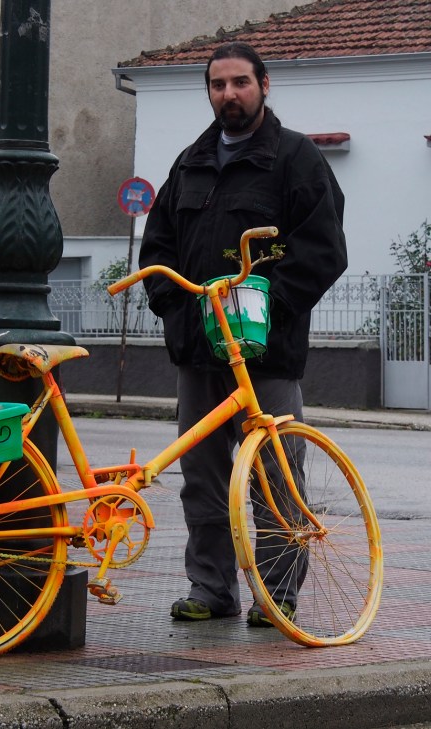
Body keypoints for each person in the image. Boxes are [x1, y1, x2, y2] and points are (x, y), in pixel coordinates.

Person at [138, 41, 347, 627]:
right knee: (201, 477)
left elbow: (323, 249)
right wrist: (178, 313)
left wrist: (266, 306)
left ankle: (276, 594)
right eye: (217, 85)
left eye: (239, 83)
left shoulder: (296, 159)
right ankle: (211, 589)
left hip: (267, 353)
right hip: (200, 353)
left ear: (264, 86)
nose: (228, 94)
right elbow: (158, 248)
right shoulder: (190, 162)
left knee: (275, 475)